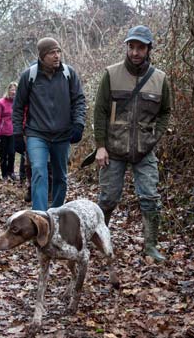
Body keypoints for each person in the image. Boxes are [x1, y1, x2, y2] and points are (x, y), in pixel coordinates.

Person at [94, 25, 171, 262]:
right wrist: (100, 146)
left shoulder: (160, 79)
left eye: (140, 47)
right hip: (113, 148)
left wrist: (154, 136)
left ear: (149, 49)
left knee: (150, 197)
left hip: (144, 150)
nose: (135, 52)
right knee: (108, 198)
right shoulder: (111, 74)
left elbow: (166, 112)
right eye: (132, 47)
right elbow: (100, 111)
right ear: (127, 47)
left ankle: (150, 246)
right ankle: (99, 241)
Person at [13, 37, 86, 211]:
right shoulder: (29, 76)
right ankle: (39, 216)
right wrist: (17, 133)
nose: (56, 56)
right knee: (39, 170)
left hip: (62, 135)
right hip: (37, 134)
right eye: (52, 53)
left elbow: (79, 100)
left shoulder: (69, 74)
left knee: (61, 176)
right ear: (42, 55)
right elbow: (17, 107)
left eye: (58, 51)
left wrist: (78, 124)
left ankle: (56, 214)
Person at [0, 81, 18, 180]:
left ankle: (11, 172)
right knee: (3, 155)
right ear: (8, 90)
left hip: (13, 133)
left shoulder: (18, 102)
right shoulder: (1, 102)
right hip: (2, 133)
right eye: (12, 89)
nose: (14, 92)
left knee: (11, 153)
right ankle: (4, 175)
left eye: (15, 90)